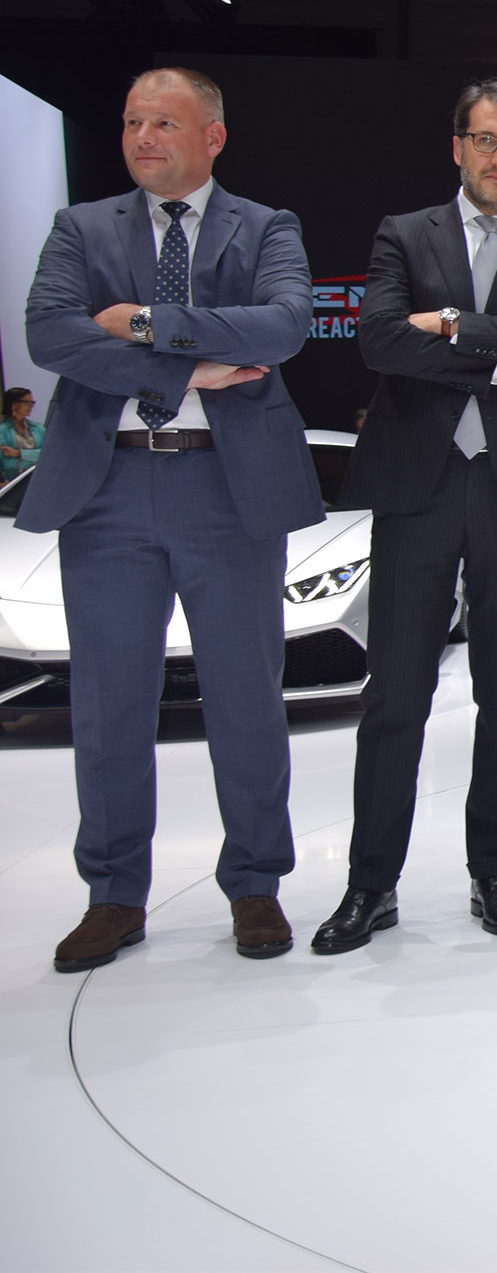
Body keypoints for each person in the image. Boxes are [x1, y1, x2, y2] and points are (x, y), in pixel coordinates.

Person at [24, 67, 323, 971]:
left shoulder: (265, 227)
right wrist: (186, 367)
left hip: (227, 488)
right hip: (107, 488)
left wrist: (142, 322)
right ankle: (114, 893)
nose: (143, 137)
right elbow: (51, 333)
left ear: (212, 137)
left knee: (245, 695)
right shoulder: (80, 228)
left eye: (163, 122)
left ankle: (255, 883)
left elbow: (282, 327)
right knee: (109, 701)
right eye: (131, 122)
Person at [312, 78, 497, 954]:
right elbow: (379, 339)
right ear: (458, 146)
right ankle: (370, 884)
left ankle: (493, 872)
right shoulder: (405, 233)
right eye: (485, 140)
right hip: (419, 484)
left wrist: (447, 326)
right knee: (395, 693)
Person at [0, 387, 41, 481]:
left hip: (37, 478)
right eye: (27, 402)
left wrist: (18, 453)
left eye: (32, 403)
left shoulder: (39, 428)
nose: (31, 406)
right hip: (12, 481)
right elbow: (6, 463)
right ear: (13, 404)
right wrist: (34, 460)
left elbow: (46, 454)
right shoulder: (2, 431)